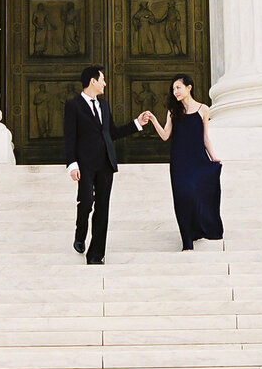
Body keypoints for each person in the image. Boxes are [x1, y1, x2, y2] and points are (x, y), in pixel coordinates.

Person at [63, 65, 145, 264]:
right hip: (84, 164)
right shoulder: (73, 106)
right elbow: (69, 137)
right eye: (103, 79)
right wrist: (72, 164)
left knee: (102, 209)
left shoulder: (104, 106)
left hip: (106, 163)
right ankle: (80, 233)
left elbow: (111, 133)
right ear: (93, 81)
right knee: (86, 202)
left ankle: (96, 255)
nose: (105, 83)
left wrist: (137, 123)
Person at [145, 74, 224, 251]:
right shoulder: (173, 111)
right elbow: (165, 136)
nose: (175, 92)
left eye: (178, 88)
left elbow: (205, 137)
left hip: (197, 159)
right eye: (173, 89)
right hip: (179, 161)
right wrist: (153, 120)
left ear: (189, 87)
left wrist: (213, 157)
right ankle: (186, 241)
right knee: (182, 197)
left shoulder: (203, 109)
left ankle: (198, 228)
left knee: (196, 195)